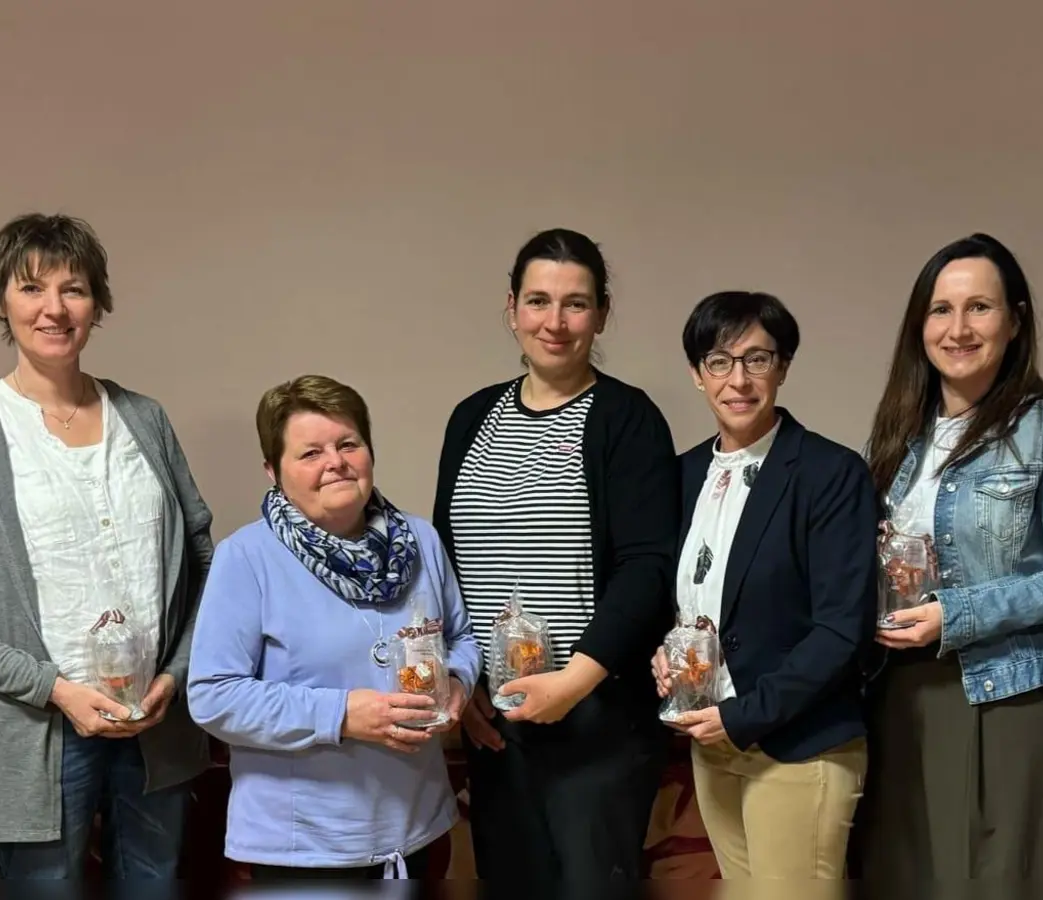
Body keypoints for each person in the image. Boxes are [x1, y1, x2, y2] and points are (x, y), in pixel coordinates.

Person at [0, 213, 214, 882]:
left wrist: (174, 677)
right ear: (0, 301)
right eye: (31, 287)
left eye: (73, 289)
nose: (54, 308)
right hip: (34, 730)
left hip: (154, 724)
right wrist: (54, 690)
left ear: (97, 303)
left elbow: (204, 566)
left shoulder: (145, 420)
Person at [854, 233, 1043, 890]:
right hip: (901, 695)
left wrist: (958, 613)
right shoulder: (899, 435)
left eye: (980, 308)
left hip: (1010, 700)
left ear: (1016, 320)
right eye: (941, 309)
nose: (958, 328)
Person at [431, 228, 680, 890]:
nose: (556, 322)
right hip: (497, 730)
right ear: (511, 309)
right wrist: (464, 685)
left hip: (594, 725)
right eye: (539, 301)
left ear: (600, 315)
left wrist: (572, 685)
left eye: (576, 303)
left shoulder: (627, 420)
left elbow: (648, 571)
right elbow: (445, 567)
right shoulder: (471, 419)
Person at [187, 375, 481, 881]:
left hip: (419, 831)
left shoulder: (422, 540)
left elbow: (461, 639)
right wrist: (342, 714)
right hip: (304, 848)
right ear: (272, 470)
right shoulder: (246, 558)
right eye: (310, 453)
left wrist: (458, 683)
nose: (335, 462)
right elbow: (213, 696)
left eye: (349, 444)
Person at [652, 291, 876, 884]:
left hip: (800, 746)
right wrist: (664, 656)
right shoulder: (681, 474)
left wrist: (746, 715)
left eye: (758, 359)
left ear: (783, 367)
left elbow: (840, 630)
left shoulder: (831, 473)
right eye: (720, 361)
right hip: (712, 745)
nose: (739, 379)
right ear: (698, 375)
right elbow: (678, 602)